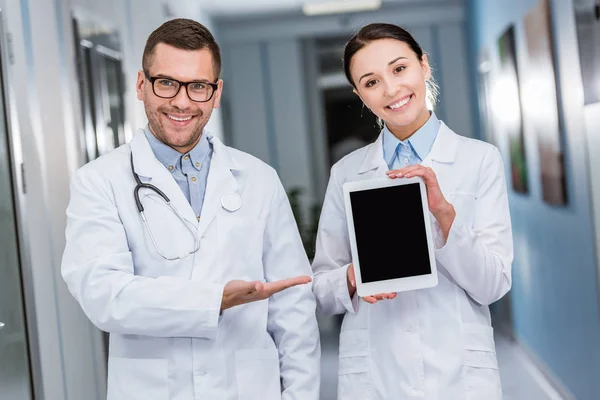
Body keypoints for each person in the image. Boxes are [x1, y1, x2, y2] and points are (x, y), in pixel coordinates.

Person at [61, 18, 320, 400]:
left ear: (216, 93)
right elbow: (103, 295)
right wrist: (213, 299)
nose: (182, 101)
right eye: (167, 82)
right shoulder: (98, 181)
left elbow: (293, 306)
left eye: (198, 86)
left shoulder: (259, 179)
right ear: (141, 85)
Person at [312, 23, 512, 400]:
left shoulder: (479, 160)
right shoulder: (347, 173)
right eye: (371, 82)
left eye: (399, 69)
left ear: (424, 65)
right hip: (374, 372)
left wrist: (445, 217)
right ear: (360, 95)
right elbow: (321, 290)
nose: (391, 89)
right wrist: (354, 278)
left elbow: (493, 285)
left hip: (460, 375)